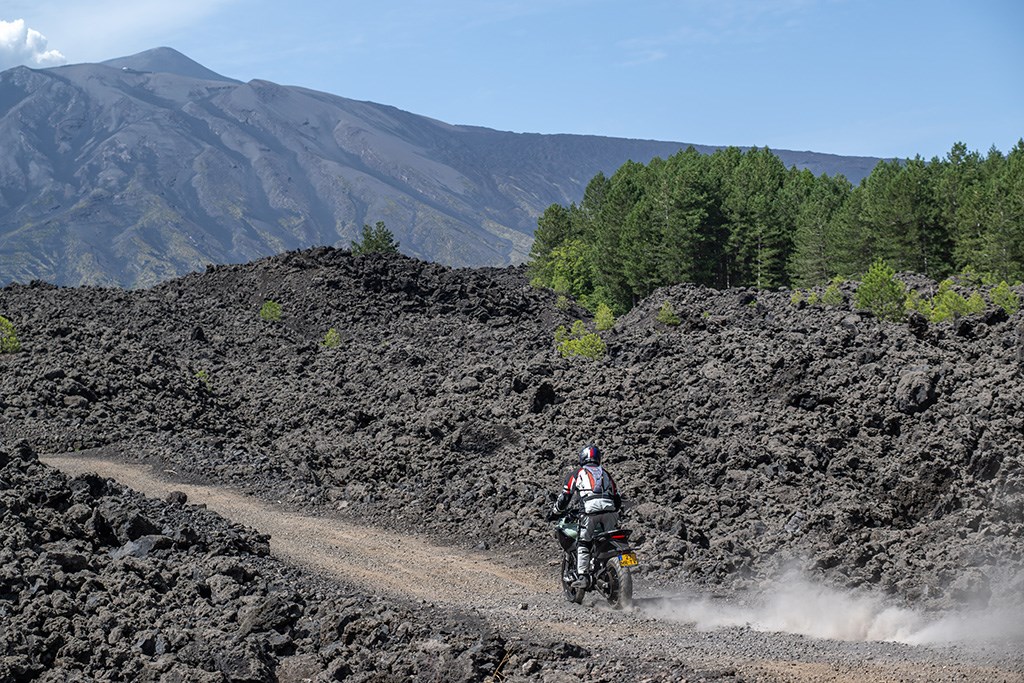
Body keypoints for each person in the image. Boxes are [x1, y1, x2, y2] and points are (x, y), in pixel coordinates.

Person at [550, 444, 621, 589]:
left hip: (589, 512)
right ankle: (607, 567)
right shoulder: (606, 474)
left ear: (582, 458)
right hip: (610, 511)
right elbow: (616, 497)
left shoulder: (577, 474)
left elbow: (565, 497)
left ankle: (582, 576)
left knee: (584, 542)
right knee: (609, 540)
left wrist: (555, 511)